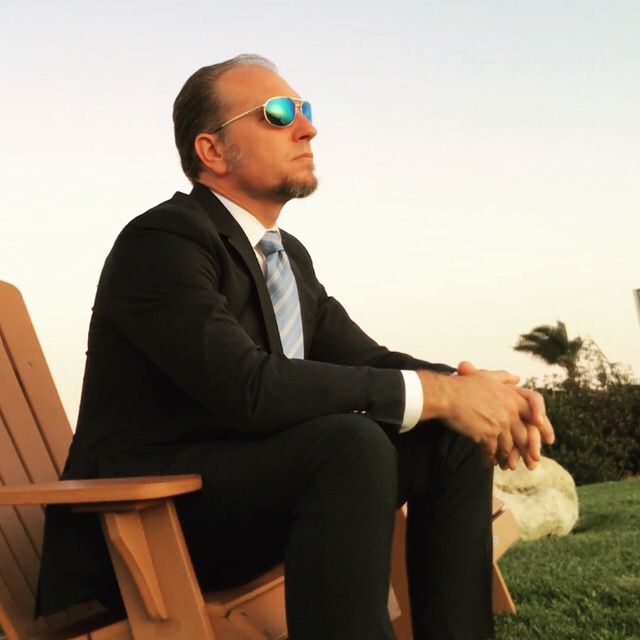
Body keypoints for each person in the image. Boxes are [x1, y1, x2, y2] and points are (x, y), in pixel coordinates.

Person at [37, 54, 555, 640]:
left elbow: (366, 360)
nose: (307, 128)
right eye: (278, 113)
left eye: (305, 110)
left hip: (250, 497)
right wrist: (440, 394)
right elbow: (249, 388)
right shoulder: (162, 241)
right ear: (212, 150)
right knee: (350, 443)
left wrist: (469, 392)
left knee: (448, 437)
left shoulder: (285, 258)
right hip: (146, 525)